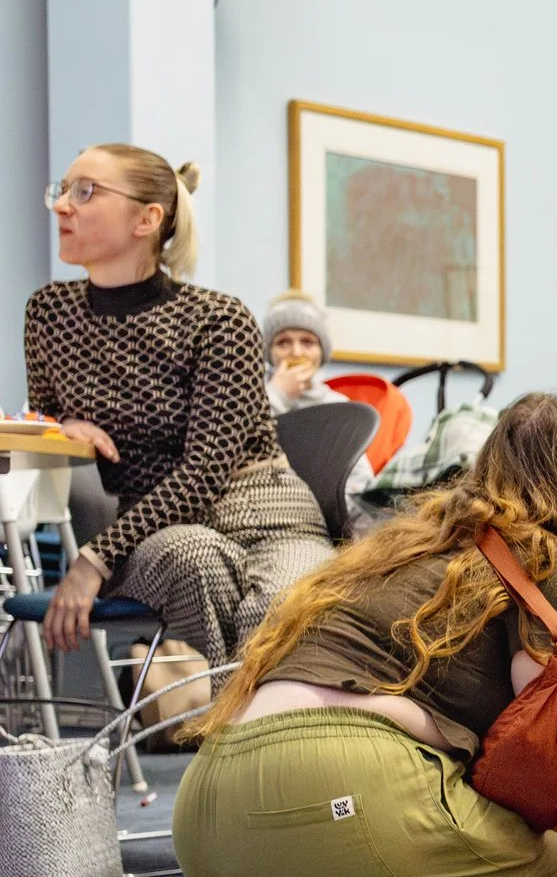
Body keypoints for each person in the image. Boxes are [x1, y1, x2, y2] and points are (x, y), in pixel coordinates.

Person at [173, 394, 557, 877]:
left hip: (207, 826)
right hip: (333, 791)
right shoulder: (556, 576)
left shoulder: (418, 544)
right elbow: (544, 767)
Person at [27, 144, 332, 667]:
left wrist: (92, 559)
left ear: (146, 219)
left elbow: (206, 470)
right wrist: (64, 424)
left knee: (280, 612)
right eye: (63, 190)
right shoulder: (49, 314)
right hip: (155, 531)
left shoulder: (219, 320)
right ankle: (229, 731)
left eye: (86, 192)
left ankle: (236, 737)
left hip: (265, 513)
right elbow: (44, 418)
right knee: (191, 559)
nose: (62, 206)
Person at [262, 290, 371, 499]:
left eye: (307, 342)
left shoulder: (338, 406)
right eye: (283, 342)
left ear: (321, 352)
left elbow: (360, 482)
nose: (296, 352)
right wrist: (278, 395)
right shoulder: (251, 399)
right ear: (269, 352)